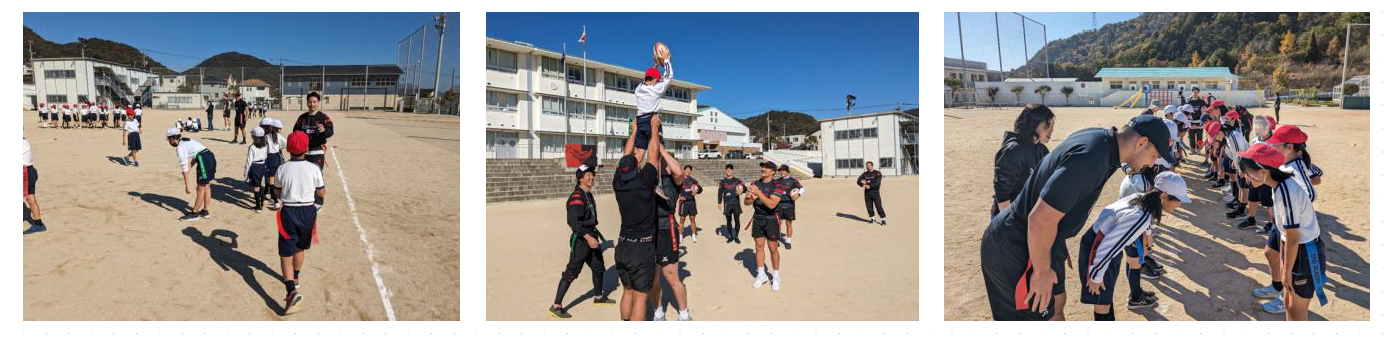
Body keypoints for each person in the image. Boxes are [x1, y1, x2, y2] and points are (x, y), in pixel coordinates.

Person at [979, 114, 1173, 321]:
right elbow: (1040, 219)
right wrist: (1042, 271)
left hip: (1044, 240)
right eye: (1154, 156)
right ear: (1141, 143)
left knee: (1056, 307)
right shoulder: (1091, 157)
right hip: (1016, 243)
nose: (1153, 164)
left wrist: (1056, 238)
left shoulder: (1103, 143)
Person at [1080, 171, 1190, 320]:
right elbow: (1109, 245)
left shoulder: (1142, 198)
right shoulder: (1140, 216)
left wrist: (1149, 233)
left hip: (1102, 246)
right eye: (1178, 200)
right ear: (1164, 196)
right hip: (1098, 249)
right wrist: (1095, 274)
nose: (1180, 204)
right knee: (1102, 304)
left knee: (1105, 300)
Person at [1237, 143, 1326, 320]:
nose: (1245, 177)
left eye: (1247, 172)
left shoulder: (1286, 191)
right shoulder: (1278, 186)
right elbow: (1285, 232)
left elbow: (1293, 238)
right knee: (1288, 304)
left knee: (1295, 310)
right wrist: (1284, 264)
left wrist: (1285, 272)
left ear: (1263, 172)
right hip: (1297, 252)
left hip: (1304, 254)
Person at [547, 161, 614, 319]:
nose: (592, 177)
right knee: (572, 271)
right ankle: (556, 305)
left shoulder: (588, 195)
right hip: (582, 239)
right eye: (588, 175)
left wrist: (592, 236)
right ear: (580, 179)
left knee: (598, 267)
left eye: (592, 175)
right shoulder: (576, 196)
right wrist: (587, 237)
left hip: (592, 235)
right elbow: (573, 222)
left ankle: (598, 297)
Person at [612, 118, 662, 321]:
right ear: (636, 167)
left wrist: (633, 132)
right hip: (642, 248)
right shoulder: (645, 182)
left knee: (627, 291)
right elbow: (653, 154)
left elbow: (626, 156)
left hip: (623, 246)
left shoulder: (618, 183)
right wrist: (654, 129)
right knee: (641, 298)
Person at [272, 131, 325, 316]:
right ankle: (295, 278)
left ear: (288, 149)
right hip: (308, 212)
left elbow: (277, 192)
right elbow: (322, 192)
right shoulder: (314, 168)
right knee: (300, 247)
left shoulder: (282, 168)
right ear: (306, 148)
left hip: (289, 212)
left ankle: (291, 291)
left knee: (285, 253)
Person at [649, 146, 692, 321]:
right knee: (652, 278)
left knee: (671, 275)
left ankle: (684, 315)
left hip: (667, 230)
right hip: (649, 230)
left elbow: (679, 172)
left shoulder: (673, 181)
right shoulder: (650, 178)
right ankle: (658, 313)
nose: (662, 164)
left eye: (665, 162)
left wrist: (663, 151)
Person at [993, 104, 1054, 217]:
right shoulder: (1013, 150)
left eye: (1053, 125)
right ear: (1033, 124)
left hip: (1029, 214)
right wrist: (1006, 221)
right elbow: (1002, 191)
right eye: (1047, 125)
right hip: (1009, 217)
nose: (1051, 130)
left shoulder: (1041, 150)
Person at [632, 42, 674, 198]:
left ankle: (630, 176)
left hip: (640, 120)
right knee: (654, 152)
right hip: (652, 121)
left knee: (639, 152)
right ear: (656, 80)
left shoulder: (639, 88)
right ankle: (656, 184)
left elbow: (651, 77)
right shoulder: (656, 89)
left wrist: (655, 66)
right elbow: (668, 76)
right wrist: (666, 60)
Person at [746, 161, 785, 291]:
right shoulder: (755, 184)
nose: (763, 169)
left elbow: (772, 205)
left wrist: (758, 194)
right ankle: (761, 275)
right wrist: (752, 197)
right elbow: (746, 202)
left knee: (773, 248)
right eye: (762, 167)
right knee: (758, 247)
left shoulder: (778, 185)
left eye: (766, 167)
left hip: (772, 219)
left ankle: (776, 275)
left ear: (773, 171)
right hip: (757, 218)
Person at [168, 128, 216, 221]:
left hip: (203, 160)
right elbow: (196, 153)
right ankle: (205, 211)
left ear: (172, 139)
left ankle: (194, 213)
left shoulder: (180, 148)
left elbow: (184, 167)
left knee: (200, 189)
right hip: (210, 156)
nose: (170, 142)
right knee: (207, 186)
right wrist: (190, 167)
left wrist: (186, 184)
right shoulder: (187, 140)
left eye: (169, 140)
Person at [293, 92, 335, 171]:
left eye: (314, 102)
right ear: (307, 103)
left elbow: (331, 131)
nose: (312, 104)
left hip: (317, 152)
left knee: (317, 176)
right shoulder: (302, 118)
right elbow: (295, 132)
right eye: (310, 102)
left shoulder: (323, 117)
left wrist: (324, 130)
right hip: (303, 153)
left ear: (318, 102)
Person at [716, 164, 745, 243]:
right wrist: (719, 202)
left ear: (732, 171)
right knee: (728, 220)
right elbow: (720, 192)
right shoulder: (723, 182)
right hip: (727, 204)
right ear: (726, 170)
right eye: (727, 169)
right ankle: (731, 236)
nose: (729, 171)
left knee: (737, 220)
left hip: (736, 203)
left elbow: (744, 188)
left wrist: (742, 190)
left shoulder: (737, 181)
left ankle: (736, 236)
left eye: (730, 169)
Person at [262, 118, 287, 210]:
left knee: (271, 180)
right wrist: (279, 147)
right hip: (277, 157)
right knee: (278, 178)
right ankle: (277, 197)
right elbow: (285, 143)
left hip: (270, 158)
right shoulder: (277, 135)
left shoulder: (265, 136)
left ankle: (276, 201)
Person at [775, 165, 803, 244]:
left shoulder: (793, 181)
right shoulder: (776, 181)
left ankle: (788, 241)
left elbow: (802, 188)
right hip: (778, 205)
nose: (781, 172)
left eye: (783, 170)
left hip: (789, 205)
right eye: (780, 170)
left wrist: (798, 195)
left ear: (787, 172)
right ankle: (777, 239)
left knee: (788, 223)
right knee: (778, 223)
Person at [23, 137, 46, 234]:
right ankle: (38, 224)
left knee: (30, 198)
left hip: (25, 172)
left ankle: (38, 224)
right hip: (29, 170)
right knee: (30, 198)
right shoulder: (24, 140)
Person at [676, 164, 703, 243]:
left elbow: (701, 190)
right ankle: (680, 236)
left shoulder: (693, 180)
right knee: (682, 219)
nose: (688, 171)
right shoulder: (679, 180)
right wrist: (678, 197)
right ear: (684, 170)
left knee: (692, 219)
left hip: (691, 202)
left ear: (691, 172)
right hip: (683, 203)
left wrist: (697, 191)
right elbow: (674, 190)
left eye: (689, 170)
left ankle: (694, 235)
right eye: (686, 169)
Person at [245, 128, 270, 212]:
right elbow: (266, 156)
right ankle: (262, 201)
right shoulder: (265, 145)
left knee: (256, 186)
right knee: (261, 183)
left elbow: (249, 160)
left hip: (255, 167)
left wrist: (246, 171)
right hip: (262, 166)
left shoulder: (252, 147)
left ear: (254, 136)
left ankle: (258, 206)